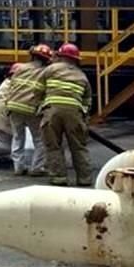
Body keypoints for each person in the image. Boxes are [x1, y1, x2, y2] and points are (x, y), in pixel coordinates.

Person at [40, 42, 93, 186]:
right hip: (75, 113)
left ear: (60, 56)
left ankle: (59, 178)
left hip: (52, 112)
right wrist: (84, 115)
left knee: (53, 145)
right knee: (79, 146)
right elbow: (87, 100)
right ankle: (84, 179)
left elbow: (38, 90)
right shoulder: (82, 76)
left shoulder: (50, 70)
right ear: (76, 59)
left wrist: (40, 107)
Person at [4, 43, 52, 176]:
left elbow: (11, 86)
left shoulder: (20, 68)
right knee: (39, 139)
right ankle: (36, 168)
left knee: (18, 138)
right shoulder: (45, 72)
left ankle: (18, 168)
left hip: (13, 106)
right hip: (31, 108)